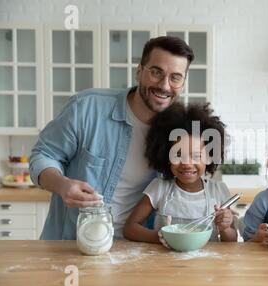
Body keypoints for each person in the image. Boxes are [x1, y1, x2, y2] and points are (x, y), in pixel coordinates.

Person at [30, 36, 195, 239]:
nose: (164, 85)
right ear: (139, 71)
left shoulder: (179, 132)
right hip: (74, 246)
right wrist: (63, 185)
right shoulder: (87, 107)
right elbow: (43, 155)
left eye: (175, 77)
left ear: (183, 82)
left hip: (138, 252)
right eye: (156, 72)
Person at [123, 102, 238, 244]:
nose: (187, 164)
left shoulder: (218, 190)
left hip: (207, 264)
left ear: (209, 157)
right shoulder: (159, 188)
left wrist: (225, 228)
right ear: (165, 155)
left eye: (196, 156)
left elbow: (232, 240)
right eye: (178, 154)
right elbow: (129, 228)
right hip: (164, 263)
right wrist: (159, 238)